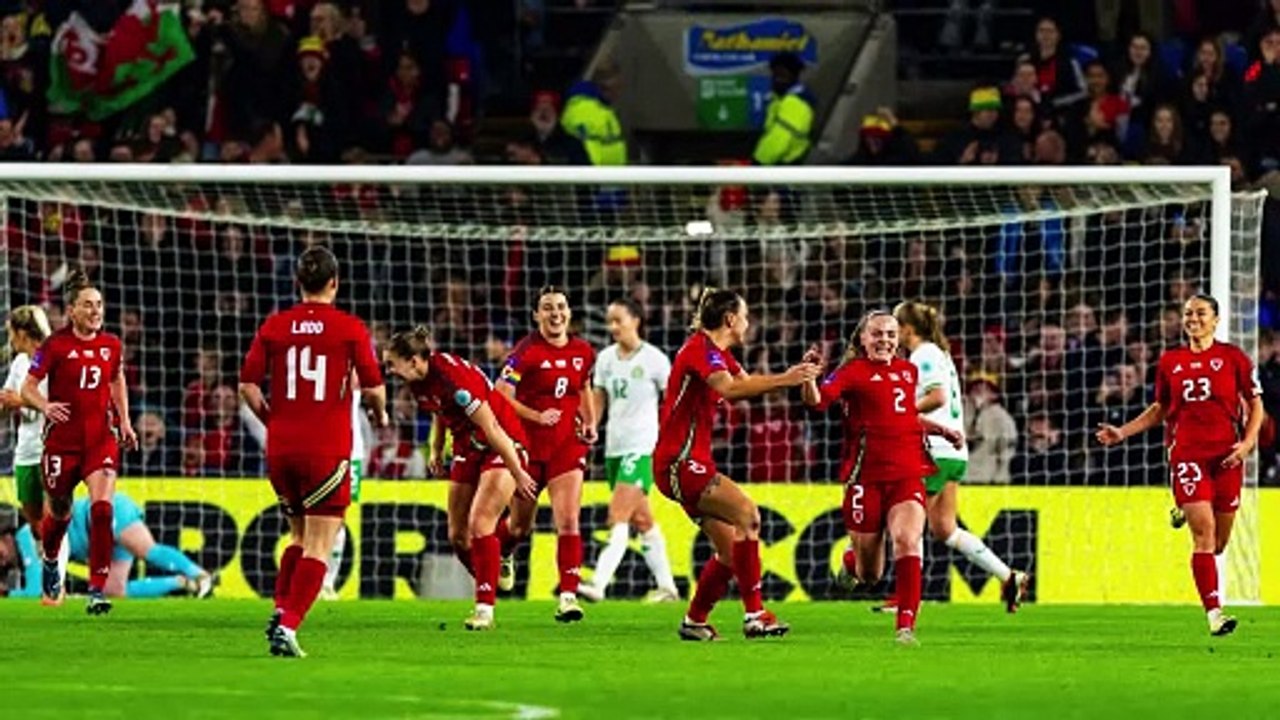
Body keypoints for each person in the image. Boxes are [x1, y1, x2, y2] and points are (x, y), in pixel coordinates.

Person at [239, 246, 388, 657]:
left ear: (298, 283)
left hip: (281, 448)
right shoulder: (350, 328)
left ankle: (280, 610)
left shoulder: (275, 325)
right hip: (326, 450)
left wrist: (273, 421)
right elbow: (374, 388)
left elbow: (247, 386)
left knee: (299, 535)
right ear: (334, 283)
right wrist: (380, 414)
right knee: (321, 543)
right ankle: (288, 626)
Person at [655, 288, 821, 641]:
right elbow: (729, 389)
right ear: (730, 319)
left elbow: (745, 384)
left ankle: (694, 621)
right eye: (745, 316)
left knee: (732, 553)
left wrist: (800, 374)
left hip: (688, 462)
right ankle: (755, 615)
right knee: (749, 515)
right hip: (680, 461)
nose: (748, 323)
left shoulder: (720, 355)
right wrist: (786, 378)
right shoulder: (700, 350)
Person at [1096, 294, 1262, 636]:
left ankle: (1182, 506)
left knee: (1219, 544)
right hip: (1188, 455)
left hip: (1227, 457)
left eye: (1200, 313)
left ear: (1216, 320)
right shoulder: (1170, 362)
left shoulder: (1233, 358)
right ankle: (1215, 614)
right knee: (1204, 536)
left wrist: (1246, 444)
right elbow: (1160, 409)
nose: (1193, 319)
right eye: (1188, 313)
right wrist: (1122, 432)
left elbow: (1255, 404)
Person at [801, 310, 963, 645]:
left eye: (890, 334)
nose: (884, 340)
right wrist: (809, 378)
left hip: (907, 473)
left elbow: (902, 418)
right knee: (870, 574)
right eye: (877, 334)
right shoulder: (852, 372)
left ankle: (906, 627)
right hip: (865, 479)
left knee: (907, 540)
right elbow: (817, 403)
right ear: (862, 338)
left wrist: (941, 430)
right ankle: (852, 563)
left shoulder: (907, 370)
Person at [875, 301, 1030, 614]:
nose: (890, 334)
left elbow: (936, 397)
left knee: (907, 524)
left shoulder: (925, 354)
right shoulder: (940, 354)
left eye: (894, 328)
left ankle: (907, 598)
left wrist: (898, 412)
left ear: (907, 329)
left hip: (934, 450)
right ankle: (1009, 576)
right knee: (945, 528)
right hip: (953, 454)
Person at [383, 326, 535, 630]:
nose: (388, 370)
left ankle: (484, 610)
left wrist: (518, 471)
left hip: (503, 443)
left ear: (413, 360)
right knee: (457, 535)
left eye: (391, 363)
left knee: (481, 523)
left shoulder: (455, 380)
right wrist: (437, 448)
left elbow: (492, 428)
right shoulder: (418, 381)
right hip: (467, 446)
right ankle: (493, 567)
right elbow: (440, 410)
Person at [21, 271, 139, 614]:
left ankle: (96, 590)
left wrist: (124, 421)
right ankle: (50, 559)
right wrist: (45, 406)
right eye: (88, 305)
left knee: (102, 510)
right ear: (71, 310)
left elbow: (116, 379)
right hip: (62, 444)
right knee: (60, 512)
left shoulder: (111, 345)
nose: (95, 311)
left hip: (100, 441)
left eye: (99, 304)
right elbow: (28, 387)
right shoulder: (54, 346)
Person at [498, 286, 598, 623]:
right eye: (547, 308)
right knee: (518, 527)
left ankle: (568, 597)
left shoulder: (584, 351)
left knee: (568, 520)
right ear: (536, 315)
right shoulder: (525, 351)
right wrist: (536, 416)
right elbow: (500, 394)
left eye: (560, 307)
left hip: (566, 446)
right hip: (527, 449)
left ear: (569, 312)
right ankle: (504, 553)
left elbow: (583, 386)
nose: (556, 313)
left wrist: (590, 421)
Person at [577, 299, 679, 603]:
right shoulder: (606, 359)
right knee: (642, 520)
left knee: (618, 514)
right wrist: (589, 428)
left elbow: (673, 403)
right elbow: (598, 399)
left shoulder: (656, 360)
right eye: (609, 321)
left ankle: (598, 583)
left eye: (618, 320)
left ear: (636, 320)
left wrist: (672, 442)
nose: (613, 327)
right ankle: (668, 588)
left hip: (643, 447)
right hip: (614, 449)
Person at [0, 492, 215, 599]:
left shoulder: (27, 536)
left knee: (146, 549)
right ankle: (182, 582)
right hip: (100, 541)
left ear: (6, 537)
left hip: (101, 514)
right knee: (114, 590)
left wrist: (7, 594)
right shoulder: (27, 547)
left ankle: (199, 575)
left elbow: (36, 591)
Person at [0, 306, 68, 589]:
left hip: (54, 446)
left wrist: (19, 401)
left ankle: (56, 585)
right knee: (36, 524)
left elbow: (59, 405)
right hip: (25, 451)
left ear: (22, 333)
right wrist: (5, 405)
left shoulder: (56, 358)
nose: (9, 339)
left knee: (53, 517)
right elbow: (7, 403)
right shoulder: (19, 363)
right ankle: (51, 566)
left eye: (11, 333)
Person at [321, 371, 375, 600]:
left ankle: (327, 583)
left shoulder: (354, 372)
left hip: (352, 454)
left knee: (338, 517)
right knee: (313, 517)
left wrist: (379, 410)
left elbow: (372, 387)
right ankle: (314, 577)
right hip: (321, 449)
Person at [752, 52, 815, 166]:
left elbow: (779, 139)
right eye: (775, 75)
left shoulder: (794, 103)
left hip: (784, 165)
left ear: (794, 76)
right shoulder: (780, 99)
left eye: (782, 75)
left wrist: (758, 163)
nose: (777, 80)